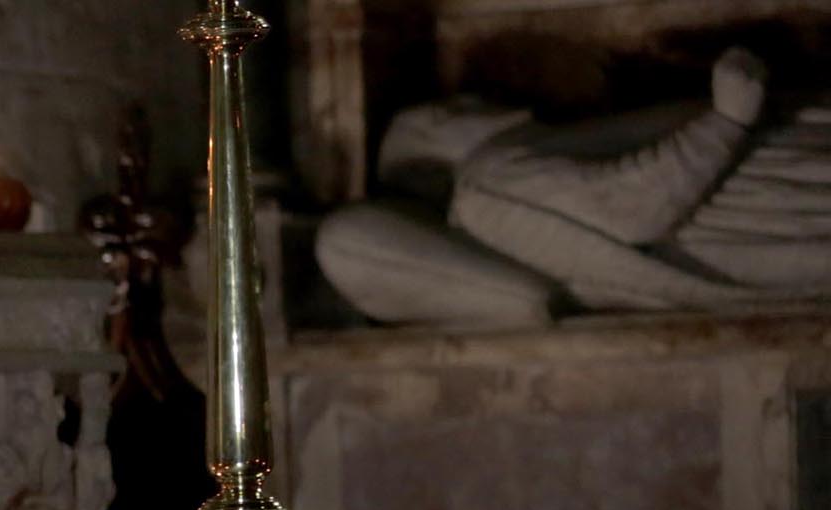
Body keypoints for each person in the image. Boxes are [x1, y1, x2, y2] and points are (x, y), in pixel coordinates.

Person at [317, 48, 831, 325]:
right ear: (435, 152)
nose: (469, 102)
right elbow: (630, 207)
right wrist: (727, 120)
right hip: (750, 203)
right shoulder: (491, 173)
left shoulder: (492, 204)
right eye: (446, 111)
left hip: (735, 237)